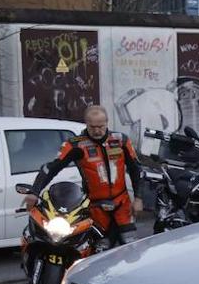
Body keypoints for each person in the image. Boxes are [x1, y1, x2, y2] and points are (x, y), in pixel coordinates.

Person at [24, 104, 143, 245]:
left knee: (131, 248)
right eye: (93, 127)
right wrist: (34, 191)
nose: (97, 131)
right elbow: (51, 168)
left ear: (107, 123)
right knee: (101, 249)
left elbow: (136, 169)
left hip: (122, 203)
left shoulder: (121, 140)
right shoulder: (76, 145)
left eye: (101, 126)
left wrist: (138, 198)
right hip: (96, 207)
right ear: (86, 123)